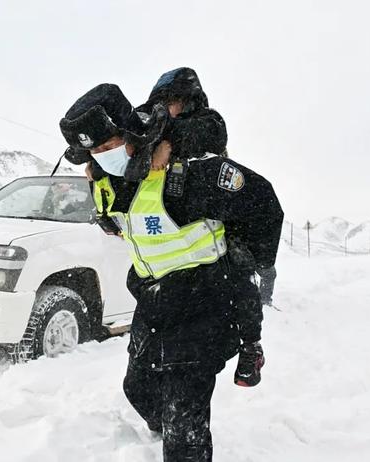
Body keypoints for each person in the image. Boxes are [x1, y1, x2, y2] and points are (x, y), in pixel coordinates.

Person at [59, 83, 284, 462]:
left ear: (130, 134)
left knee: (185, 431)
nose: (101, 156)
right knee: (138, 390)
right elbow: (119, 224)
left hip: (205, 304)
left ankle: (182, 440)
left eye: (107, 145)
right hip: (155, 303)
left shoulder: (189, 174)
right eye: (94, 151)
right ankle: (167, 428)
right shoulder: (107, 181)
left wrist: (244, 259)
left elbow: (264, 205)